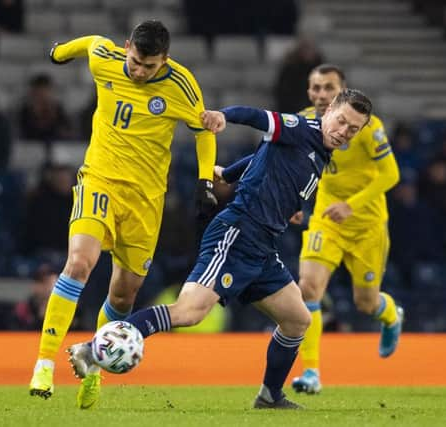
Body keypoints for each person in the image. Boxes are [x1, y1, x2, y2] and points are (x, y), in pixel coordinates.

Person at [67, 89, 374, 410]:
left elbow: (264, 157)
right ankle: (91, 350)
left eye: (353, 129)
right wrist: (223, 116)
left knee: (297, 320)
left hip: (263, 247)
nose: (343, 132)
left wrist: (228, 174)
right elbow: (259, 117)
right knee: (189, 312)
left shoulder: (321, 151)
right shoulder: (302, 128)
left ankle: (270, 396)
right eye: (340, 121)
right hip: (237, 232)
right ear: (328, 112)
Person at [28, 20, 218, 410]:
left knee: (123, 292)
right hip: (99, 181)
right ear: (128, 47)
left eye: (149, 66)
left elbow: (203, 130)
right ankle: (43, 363)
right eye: (135, 61)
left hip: (146, 201)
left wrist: (204, 182)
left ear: (164, 59)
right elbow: (91, 42)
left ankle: (93, 366)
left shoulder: (182, 84)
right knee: (79, 263)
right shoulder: (107, 59)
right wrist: (59, 52)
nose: (139, 71)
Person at [291, 64, 403, 395]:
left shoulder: (369, 128)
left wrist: (351, 205)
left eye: (329, 88)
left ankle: (391, 316)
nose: (321, 95)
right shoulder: (304, 120)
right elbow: (296, 166)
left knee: (365, 303)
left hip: (367, 223)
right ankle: (311, 373)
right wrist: (295, 201)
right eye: (315, 88)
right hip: (326, 216)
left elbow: (390, 175)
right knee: (308, 288)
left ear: (343, 92)